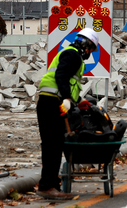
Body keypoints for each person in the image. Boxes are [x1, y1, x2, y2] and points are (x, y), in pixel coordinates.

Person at [36, 28, 99, 200]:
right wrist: (65, 98)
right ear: (86, 44)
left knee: (54, 144)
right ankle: (47, 186)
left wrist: (77, 101)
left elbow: (69, 83)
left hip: (51, 101)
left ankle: (51, 185)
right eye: (91, 49)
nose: (90, 53)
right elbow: (61, 76)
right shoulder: (72, 55)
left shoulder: (72, 55)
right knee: (52, 145)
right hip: (52, 102)